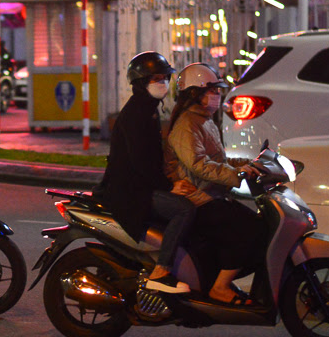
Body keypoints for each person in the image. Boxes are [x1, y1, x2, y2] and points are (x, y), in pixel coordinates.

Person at [164, 63, 267, 305]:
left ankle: (218, 279)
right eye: (212, 91)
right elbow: (199, 164)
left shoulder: (203, 120)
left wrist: (251, 163)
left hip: (212, 194)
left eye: (218, 91)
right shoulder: (187, 124)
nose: (218, 96)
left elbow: (217, 159)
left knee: (260, 227)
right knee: (249, 230)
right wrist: (236, 175)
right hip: (198, 198)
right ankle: (219, 287)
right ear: (195, 94)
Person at [93, 52, 196, 294]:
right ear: (141, 82)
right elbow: (141, 163)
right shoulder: (136, 114)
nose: (162, 83)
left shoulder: (148, 108)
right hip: (131, 191)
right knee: (184, 209)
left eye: (164, 78)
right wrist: (170, 187)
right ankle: (161, 271)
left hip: (142, 185)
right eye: (155, 79)